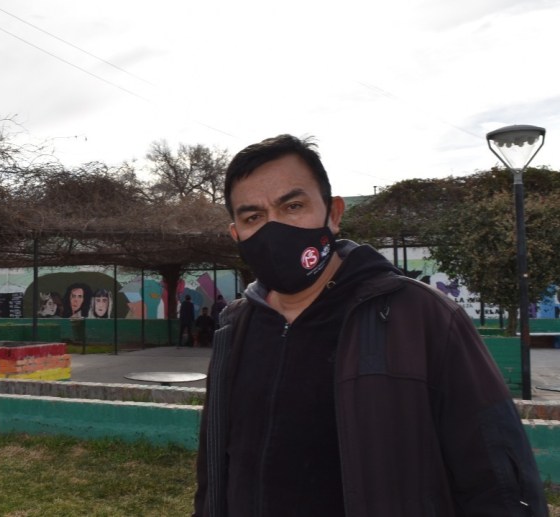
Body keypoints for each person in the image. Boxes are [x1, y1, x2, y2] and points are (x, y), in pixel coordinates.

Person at [194, 134, 546, 516]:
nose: (274, 229)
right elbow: (214, 473)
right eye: (253, 217)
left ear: (333, 214)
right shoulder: (235, 328)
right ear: (237, 234)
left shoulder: (424, 317)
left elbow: (498, 483)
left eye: (293, 206)